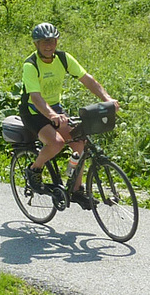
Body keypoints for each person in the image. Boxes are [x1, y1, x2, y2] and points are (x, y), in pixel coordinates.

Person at [20, 22, 117, 208]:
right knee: (56, 143)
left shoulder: (63, 58)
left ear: (56, 42)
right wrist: (51, 115)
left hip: (55, 109)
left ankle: (75, 189)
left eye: (52, 41)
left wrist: (107, 99)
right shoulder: (30, 65)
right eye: (44, 42)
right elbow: (36, 97)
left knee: (79, 142)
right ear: (36, 44)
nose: (48, 45)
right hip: (33, 112)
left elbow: (86, 79)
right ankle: (34, 169)